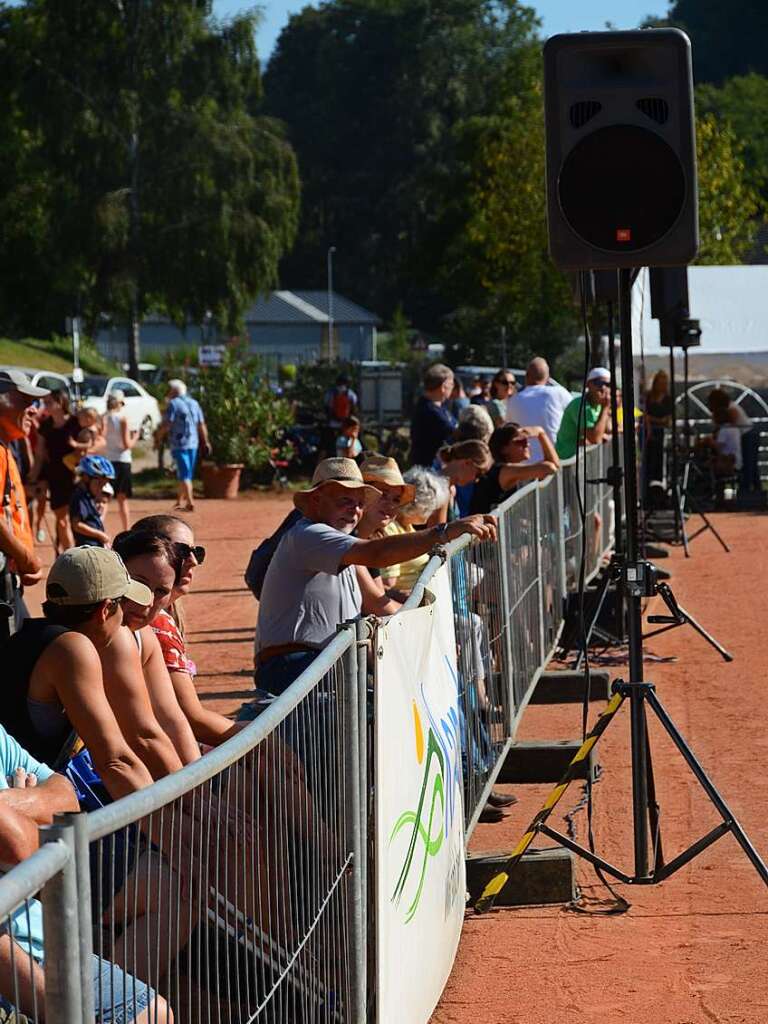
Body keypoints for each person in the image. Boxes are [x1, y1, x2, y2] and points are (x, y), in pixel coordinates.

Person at [246, 457, 496, 704]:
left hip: (321, 665)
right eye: (344, 500)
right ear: (316, 499)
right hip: (295, 668)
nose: (354, 510)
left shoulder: (340, 549)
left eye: (358, 503)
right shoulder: (309, 535)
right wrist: (446, 532)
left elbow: (374, 606)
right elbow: (378, 557)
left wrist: (427, 642)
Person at [0, 723, 172, 1024]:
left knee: (154, 1013)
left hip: (41, 934)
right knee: (170, 886)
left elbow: (67, 803)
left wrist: (15, 806)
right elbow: (19, 847)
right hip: (18, 964)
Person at [0, 371, 47, 631]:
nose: (33, 411)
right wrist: (27, 558)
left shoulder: (5, 449)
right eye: (24, 400)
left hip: (10, 574)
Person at [379, 466, 451, 592]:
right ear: (422, 505)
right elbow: (388, 584)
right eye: (433, 508)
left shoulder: (407, 528)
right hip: (406, 605)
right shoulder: (391, 530)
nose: (432, 513)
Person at [28, 388, 79, 552]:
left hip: (76, 477)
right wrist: (32, 478)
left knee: (75, 520)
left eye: (49, 402)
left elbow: (97, 443)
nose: (45, 405)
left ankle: (71, 552)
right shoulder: (46, 425)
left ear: (61, 402)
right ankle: (70, 557)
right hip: (55, 477)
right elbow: (39, 454)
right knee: (62, 519)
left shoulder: (76, 422)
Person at [471, 423, 560, 514]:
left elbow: (554, 465)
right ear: (504, 449)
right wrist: (541, 433)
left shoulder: (506, 469)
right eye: (520, 441)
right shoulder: (505, 470)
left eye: (526, 440)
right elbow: (551, 467)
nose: (527, 445)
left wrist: (541, 433)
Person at [155, 379, 210, 513]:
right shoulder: (194, 403)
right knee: (186, 472)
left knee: (184, 473)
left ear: (174, 391)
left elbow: (167, 424)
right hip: (193, 443)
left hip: (179, 444)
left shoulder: (173, 404)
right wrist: (206, 441)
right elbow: (201, 424)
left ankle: (190, 502)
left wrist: (158, 437)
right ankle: (179, 500)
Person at [506, 357, 573, 460]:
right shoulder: (559, 393)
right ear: (547, 377)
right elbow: (577, 415)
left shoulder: (513, 400)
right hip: (555, 461)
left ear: (526, 377)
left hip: (525, 465)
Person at [706, 387, 760, 494]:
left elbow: (731, 426)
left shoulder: (731, 409)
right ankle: (754, 490)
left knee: (749, 463)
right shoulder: (730, 409)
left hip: (748, 435)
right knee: (750, 465)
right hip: (745, 435)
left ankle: (748, 491)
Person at [555, 367, 612, 459]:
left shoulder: (598, 405)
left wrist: (607, 408)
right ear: (588, 385)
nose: (603, 388)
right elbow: (595, 439)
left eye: (608, 384)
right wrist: (605, 409)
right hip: (566, 460)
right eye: (599, 383)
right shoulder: (581, 405)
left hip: (578, 458)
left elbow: (609, 429)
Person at [409, 363, 456, 467]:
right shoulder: (430, 411)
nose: (453, 387)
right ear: (443, 386)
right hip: (428, 468)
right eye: (451, 384)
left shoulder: (438, 408)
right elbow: (452, 432)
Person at [104, 390, 138, 531]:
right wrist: (135, 436)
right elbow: (126, 445)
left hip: (107, 460)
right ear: (120, 403)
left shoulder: (104, 418)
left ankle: (99, 525)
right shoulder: (123, 418)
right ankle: (126, 530)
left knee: (104, 498)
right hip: (122, 460)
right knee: (122, 499)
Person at [69, 454, 115, 548]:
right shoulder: (79, 497)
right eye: (99, 483)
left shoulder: (88, 496)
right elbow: (77, 525)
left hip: (95, 546)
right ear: (86, 477)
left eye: (104, 484)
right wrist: (100, 535)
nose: (101, 487)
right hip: (87, 547)